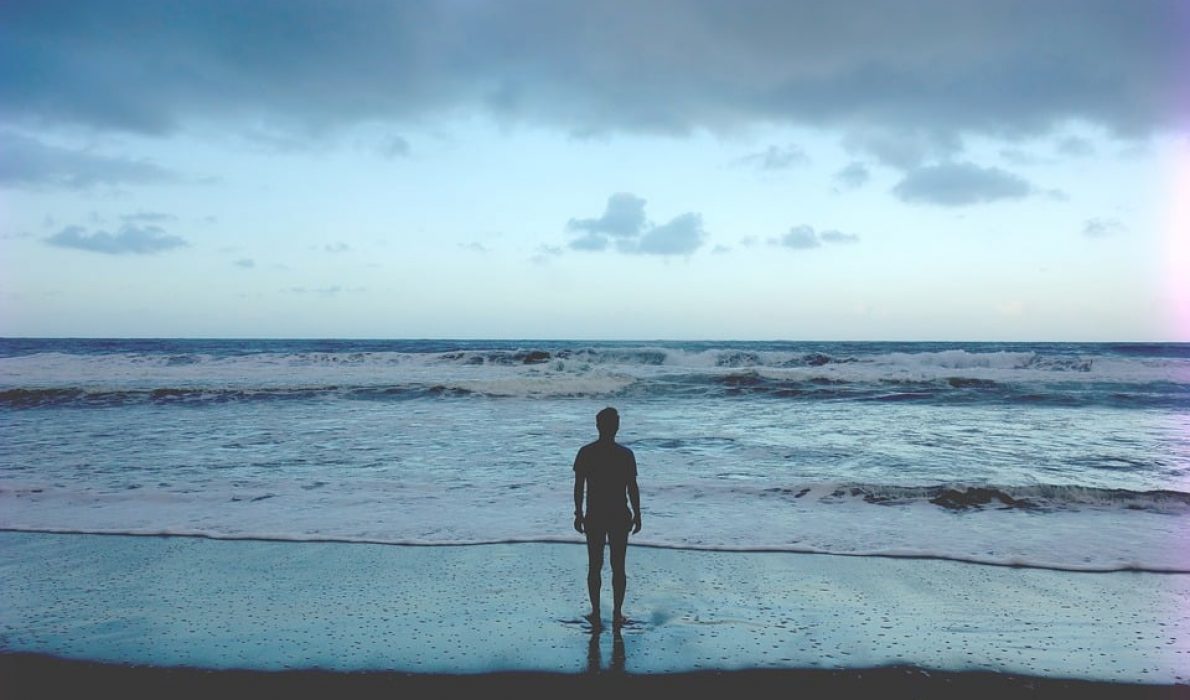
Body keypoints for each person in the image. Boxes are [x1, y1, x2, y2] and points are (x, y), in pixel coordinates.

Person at [573, 406, 641, 628]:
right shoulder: (625, 454)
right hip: (619, 514)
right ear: (617, 427)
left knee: (595, 565)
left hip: (595, 514)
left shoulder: (586, 452)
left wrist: (578, 513)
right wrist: (638, 513)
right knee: (618, 566)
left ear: (597, 426)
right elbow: (632, 487)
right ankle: (617, 613)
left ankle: (595, 611)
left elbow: (578, 487)